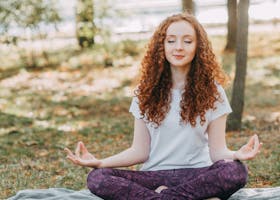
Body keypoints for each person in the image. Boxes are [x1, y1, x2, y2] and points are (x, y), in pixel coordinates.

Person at [64, 13, 262, 200]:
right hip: (153, 177)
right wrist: (100, 163)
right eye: (171, 40)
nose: (178, 47)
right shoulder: (145, 92)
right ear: (162, 46)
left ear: (198, 47)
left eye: (187, 41)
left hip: (197, 176)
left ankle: (163, 197)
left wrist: (236, 155)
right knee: (97, 177)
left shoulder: (213, 92)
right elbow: (139, 151)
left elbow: (218, 152)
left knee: (236, 171)